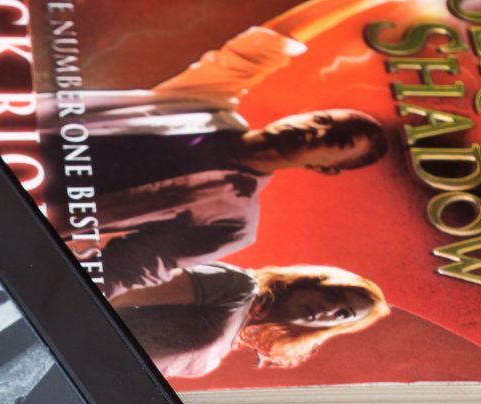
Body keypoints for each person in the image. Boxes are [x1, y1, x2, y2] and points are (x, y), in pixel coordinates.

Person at [76, 26, 390, 274]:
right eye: (322, 119)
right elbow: (271, 42)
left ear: (326, 168)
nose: (315, 130)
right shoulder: (207, 101)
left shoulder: (233, 221)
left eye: (335, 141)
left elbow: (124, 271)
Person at [110, 262, 388, 379]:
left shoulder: (229, 346)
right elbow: (120, 294)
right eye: (332, 295)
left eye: (342, 314)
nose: (328, 310)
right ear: (311, 282)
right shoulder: (237, 286)